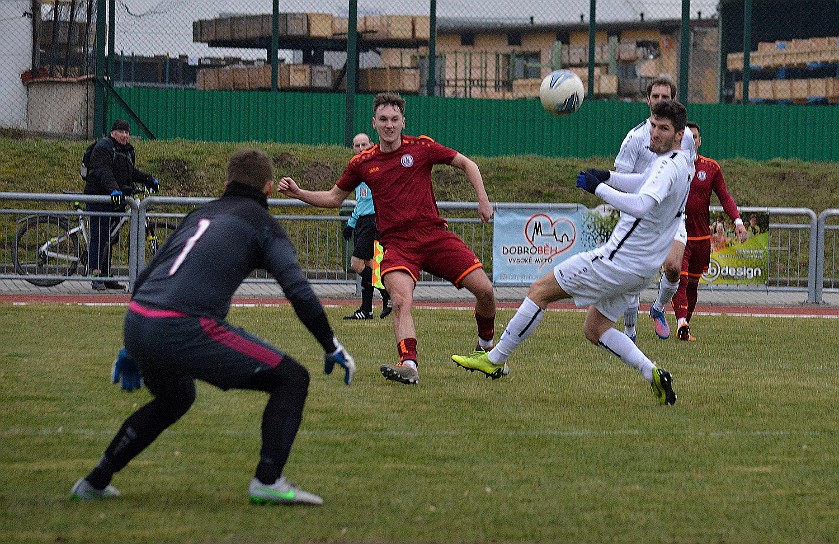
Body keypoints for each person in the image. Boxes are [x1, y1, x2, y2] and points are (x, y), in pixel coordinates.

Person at [70, 148, 355, 506]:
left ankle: (94, 482)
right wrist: (330, 345)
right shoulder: (262, 224)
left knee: (176, 397)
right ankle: (268, 480)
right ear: (269, 188)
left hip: (139, 319)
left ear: (226, 183)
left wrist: (131, 345)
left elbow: (145, 277)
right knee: (292, 378)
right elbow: (298, 289)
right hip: (183, 326)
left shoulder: (199, 213)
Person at [452, 100, 692, 406]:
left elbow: (642, 204)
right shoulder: (683, 163)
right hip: (642, 270)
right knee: (596, 329)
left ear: (678, 133)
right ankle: (653, 372)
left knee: (539, 290)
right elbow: (641, 182)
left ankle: (495, 358)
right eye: (653, 125)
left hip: (617, 261)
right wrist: (607, 175)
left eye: (664, 129)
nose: (655, 134)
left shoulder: (666, 165)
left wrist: (598, 190)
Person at [279, 92, 496, 385]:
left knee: (485, 291)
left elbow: (467, 164)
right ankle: (409, 364)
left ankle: (486, 350)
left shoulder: (422, 147)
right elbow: (333, 197)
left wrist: (483, 200)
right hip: (397, 244)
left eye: (394, 119)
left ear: (403, 122)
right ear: (374, 123)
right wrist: (300, 193)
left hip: (434, 236)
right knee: (400, 299)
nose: (389, 125)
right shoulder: (363, 162)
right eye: (383, 119)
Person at [614, 77, 696, 341]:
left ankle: (658, 307)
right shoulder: (635, 138)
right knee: (633, 277)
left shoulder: (685, 140)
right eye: (656, 97)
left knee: (673, 267)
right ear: (648, 100)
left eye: (666, 97)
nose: (661, 101)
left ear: (673, 100)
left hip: (672, 215)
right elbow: (621, 178)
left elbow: (688, 174)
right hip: (641, 215)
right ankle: (629, 332)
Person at [670, 122, 747, 341]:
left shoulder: (711, 168)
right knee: (680, 281)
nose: (691, 141)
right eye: (687, 137)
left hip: (702, 237)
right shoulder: (670, 165)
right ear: (679, 140)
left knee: (693, 283)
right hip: (678, 235)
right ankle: (681, 322)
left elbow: (724, 197)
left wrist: (738, 222)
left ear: (700, 141)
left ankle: (685, 325)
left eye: (695, 137)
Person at [83, 119, 158, 291]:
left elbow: (131, 173)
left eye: (126, 132)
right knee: (100, 237)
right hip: (100, 198)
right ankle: (96, 276)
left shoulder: (127, 151)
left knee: (110, 239)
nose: (124, 136)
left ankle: (106, 275)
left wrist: (149, 179)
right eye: (121, 132)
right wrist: (114, 190)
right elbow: (103, 172)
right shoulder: (103, 147)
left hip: (117, 200)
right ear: (113, 133)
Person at [342, 132, 392, 320]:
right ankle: (367, 309)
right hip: (362, 221)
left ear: (371, 145)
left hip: (373, 221)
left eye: (364, 145)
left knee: (356, 263)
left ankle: (387, 294)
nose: (361, 149)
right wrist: (351, 223)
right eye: (357, 146)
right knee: (370, 265)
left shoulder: (376, 168)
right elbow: (360, 202)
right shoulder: (357, 171)